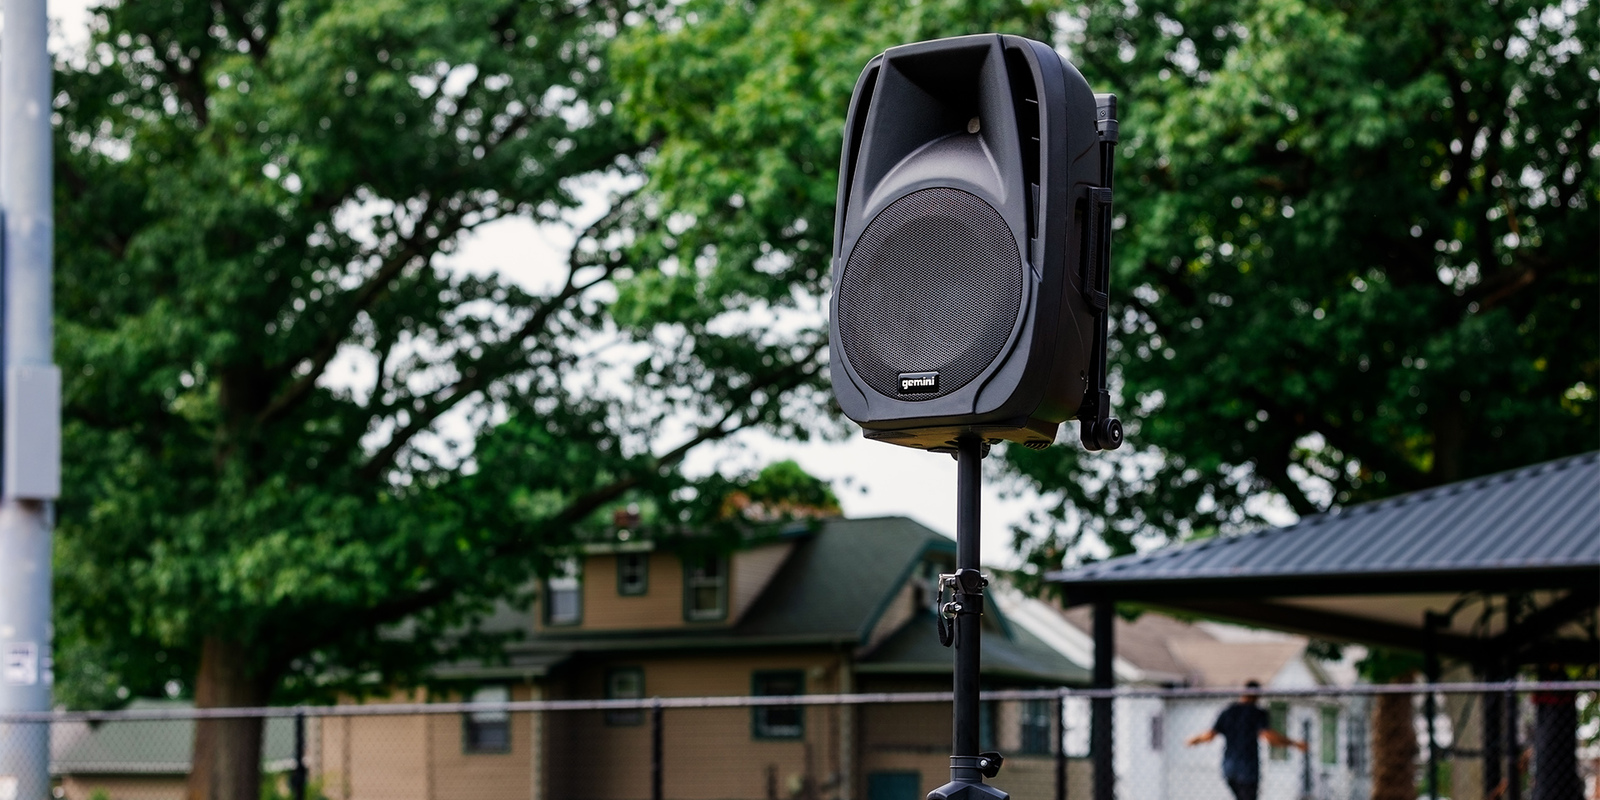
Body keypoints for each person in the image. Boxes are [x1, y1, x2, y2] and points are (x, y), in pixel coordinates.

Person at [1186, 680, 1308, 800]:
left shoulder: (1229, 711)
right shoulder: (1257, 713)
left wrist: (1194, 740)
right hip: (1247, 769)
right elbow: (1268, 735)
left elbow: (1210, 735)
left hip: (1229, 768)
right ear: (1257, 695)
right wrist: (1294, 743)